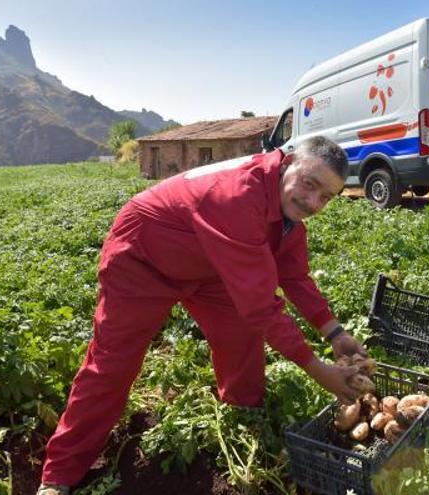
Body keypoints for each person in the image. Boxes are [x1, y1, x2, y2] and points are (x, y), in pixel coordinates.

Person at [37, 136, 367, 495]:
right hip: (143, 257)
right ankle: (60, 475)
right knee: (113, 363)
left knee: (241, 337)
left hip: (208, 266)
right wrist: (318, 370)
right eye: (310, 184)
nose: (313, 201)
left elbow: (294, 275)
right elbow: (260, 303)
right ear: (287, 162)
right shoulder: (239, 195)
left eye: (326, 197)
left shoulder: (285, 210)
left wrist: (336, 334)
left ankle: (242, 415)